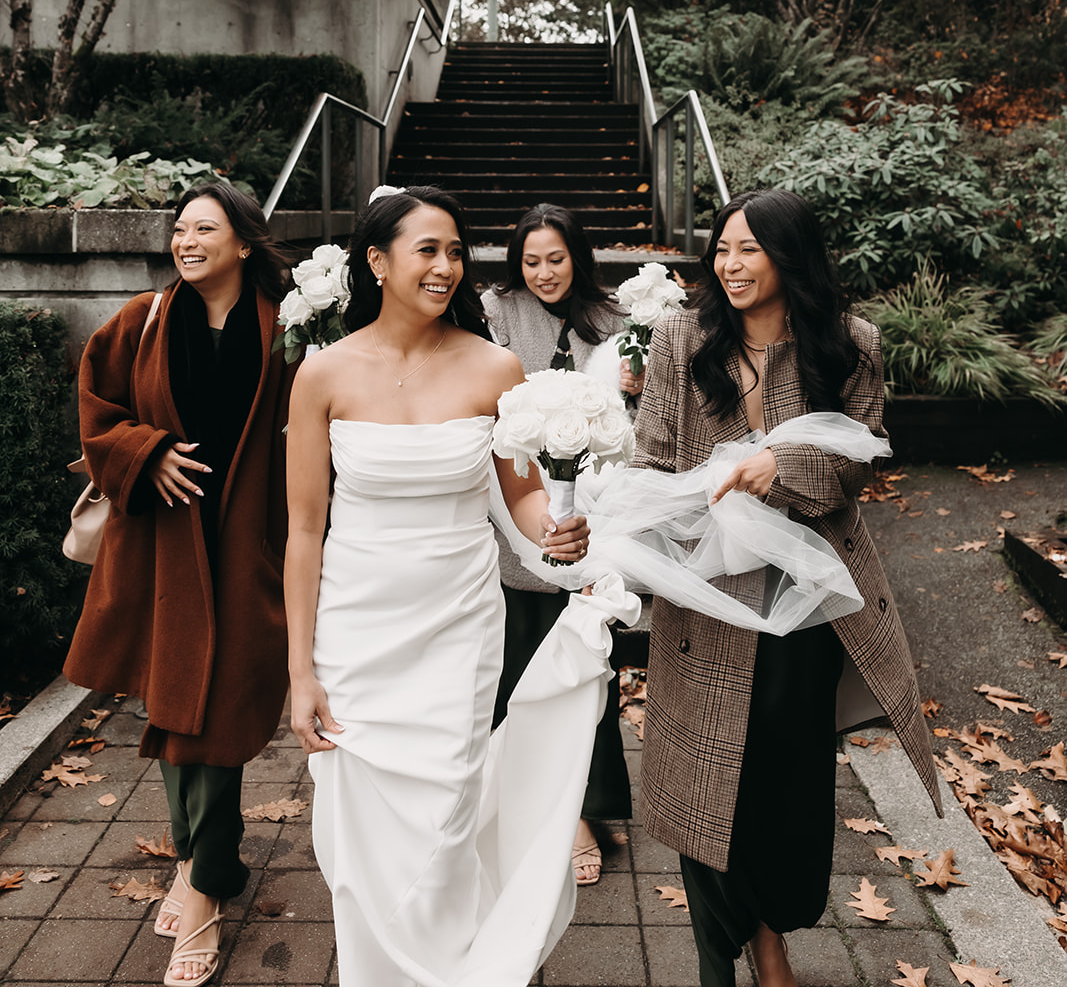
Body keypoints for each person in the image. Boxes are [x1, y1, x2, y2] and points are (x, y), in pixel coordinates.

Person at [284, 185, 594, 987]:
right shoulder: (322, 375)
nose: (446, 266)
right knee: (357, 844)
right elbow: (303, 532)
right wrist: (299, 672)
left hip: (457, 625)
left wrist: (552, 531)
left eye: (455, 250)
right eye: (427, 249)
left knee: (445, 822)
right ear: (377, 262)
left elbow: (520, 493)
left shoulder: (495, 367)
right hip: (354, 633)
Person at [631, 189, 940, 987]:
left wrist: (781, 468)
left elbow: (857, 462)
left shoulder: (849, 344)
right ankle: (718, 957)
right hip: (705, 597)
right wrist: (628, 526)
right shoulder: (678, 337)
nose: (729, 266)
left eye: (748, 251)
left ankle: (770, 934)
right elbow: (654, 455)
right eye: (721, 251)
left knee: (783, 783)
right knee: (705, 781)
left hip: (806, 605)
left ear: (788, 256)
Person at [65, 182, 298, 987]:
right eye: (179, 229)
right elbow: (97, 411)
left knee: (224, 706)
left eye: (205, 228)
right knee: (173, 703)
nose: (186, 240)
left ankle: (203, 872)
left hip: (247, 543)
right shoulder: (142, 320)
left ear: (242, 241)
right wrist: (147, 449)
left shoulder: (290, 326)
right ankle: (207, 870)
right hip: (164, 546)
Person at [481, 202, 638, 884]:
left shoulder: (613, 322)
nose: (543, 272)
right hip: (515, 509)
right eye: (531, 260)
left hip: (593, 510)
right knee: (521, 666)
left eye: (555, 258)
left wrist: (634, 385)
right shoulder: (492, 313)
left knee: (587, 667)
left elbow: (639, 418)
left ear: (577, 256)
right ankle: (544, 809)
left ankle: (588, 803)